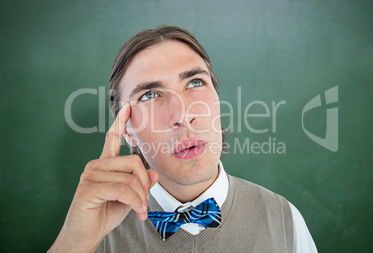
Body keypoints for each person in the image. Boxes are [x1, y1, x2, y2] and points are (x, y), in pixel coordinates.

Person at [49, 25, 317, 252]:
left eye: (195, 83)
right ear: (127, 130)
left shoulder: (285, 220)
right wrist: (72, 244)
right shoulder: (93, 237)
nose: (183, 114)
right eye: (150, 95)